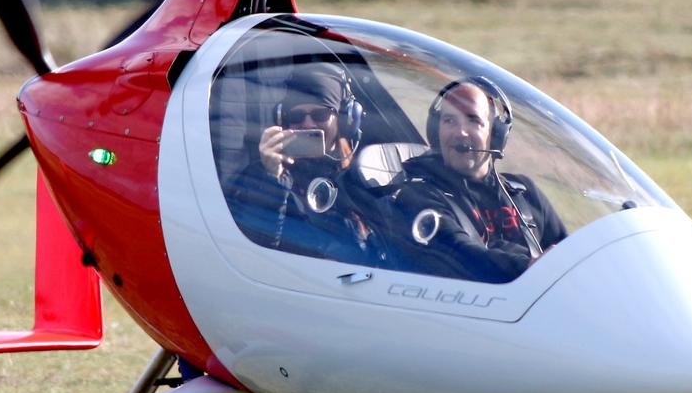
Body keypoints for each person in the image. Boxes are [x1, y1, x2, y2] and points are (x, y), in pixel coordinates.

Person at [388, 76, 567, 283]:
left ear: (496, 134)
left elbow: (569, 253)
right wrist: (529, 266)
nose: (460, 132)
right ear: (436, 132)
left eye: (473, 120)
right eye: (449, 121)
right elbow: (461, 254)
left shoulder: (523, 192)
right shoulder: (418, 197)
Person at [223, 62, 387, 267]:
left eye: (320, 114)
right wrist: (271, 178)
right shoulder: (261, 176)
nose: (308, 124)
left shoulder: (364, 174)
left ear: (344, 119)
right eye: (297, 116)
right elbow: (257, 256)